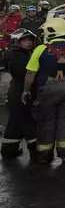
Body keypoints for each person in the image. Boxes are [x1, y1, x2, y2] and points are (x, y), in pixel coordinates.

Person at [23, 17, 65, 164]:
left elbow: (30, 74)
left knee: (46, 121)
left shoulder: (40, 49)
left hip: (47, 90)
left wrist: (26, 90)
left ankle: (45, 155)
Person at [1, 29, 38, 161]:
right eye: (25, 40)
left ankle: (8, 150)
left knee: (14, 124)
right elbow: (26, 74)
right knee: (28, 122)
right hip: (21, 93)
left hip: (16, 92)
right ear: (17, 41)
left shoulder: (16, 54)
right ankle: (36, 152)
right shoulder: (17, 56)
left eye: (30, 40)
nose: (29, 42)